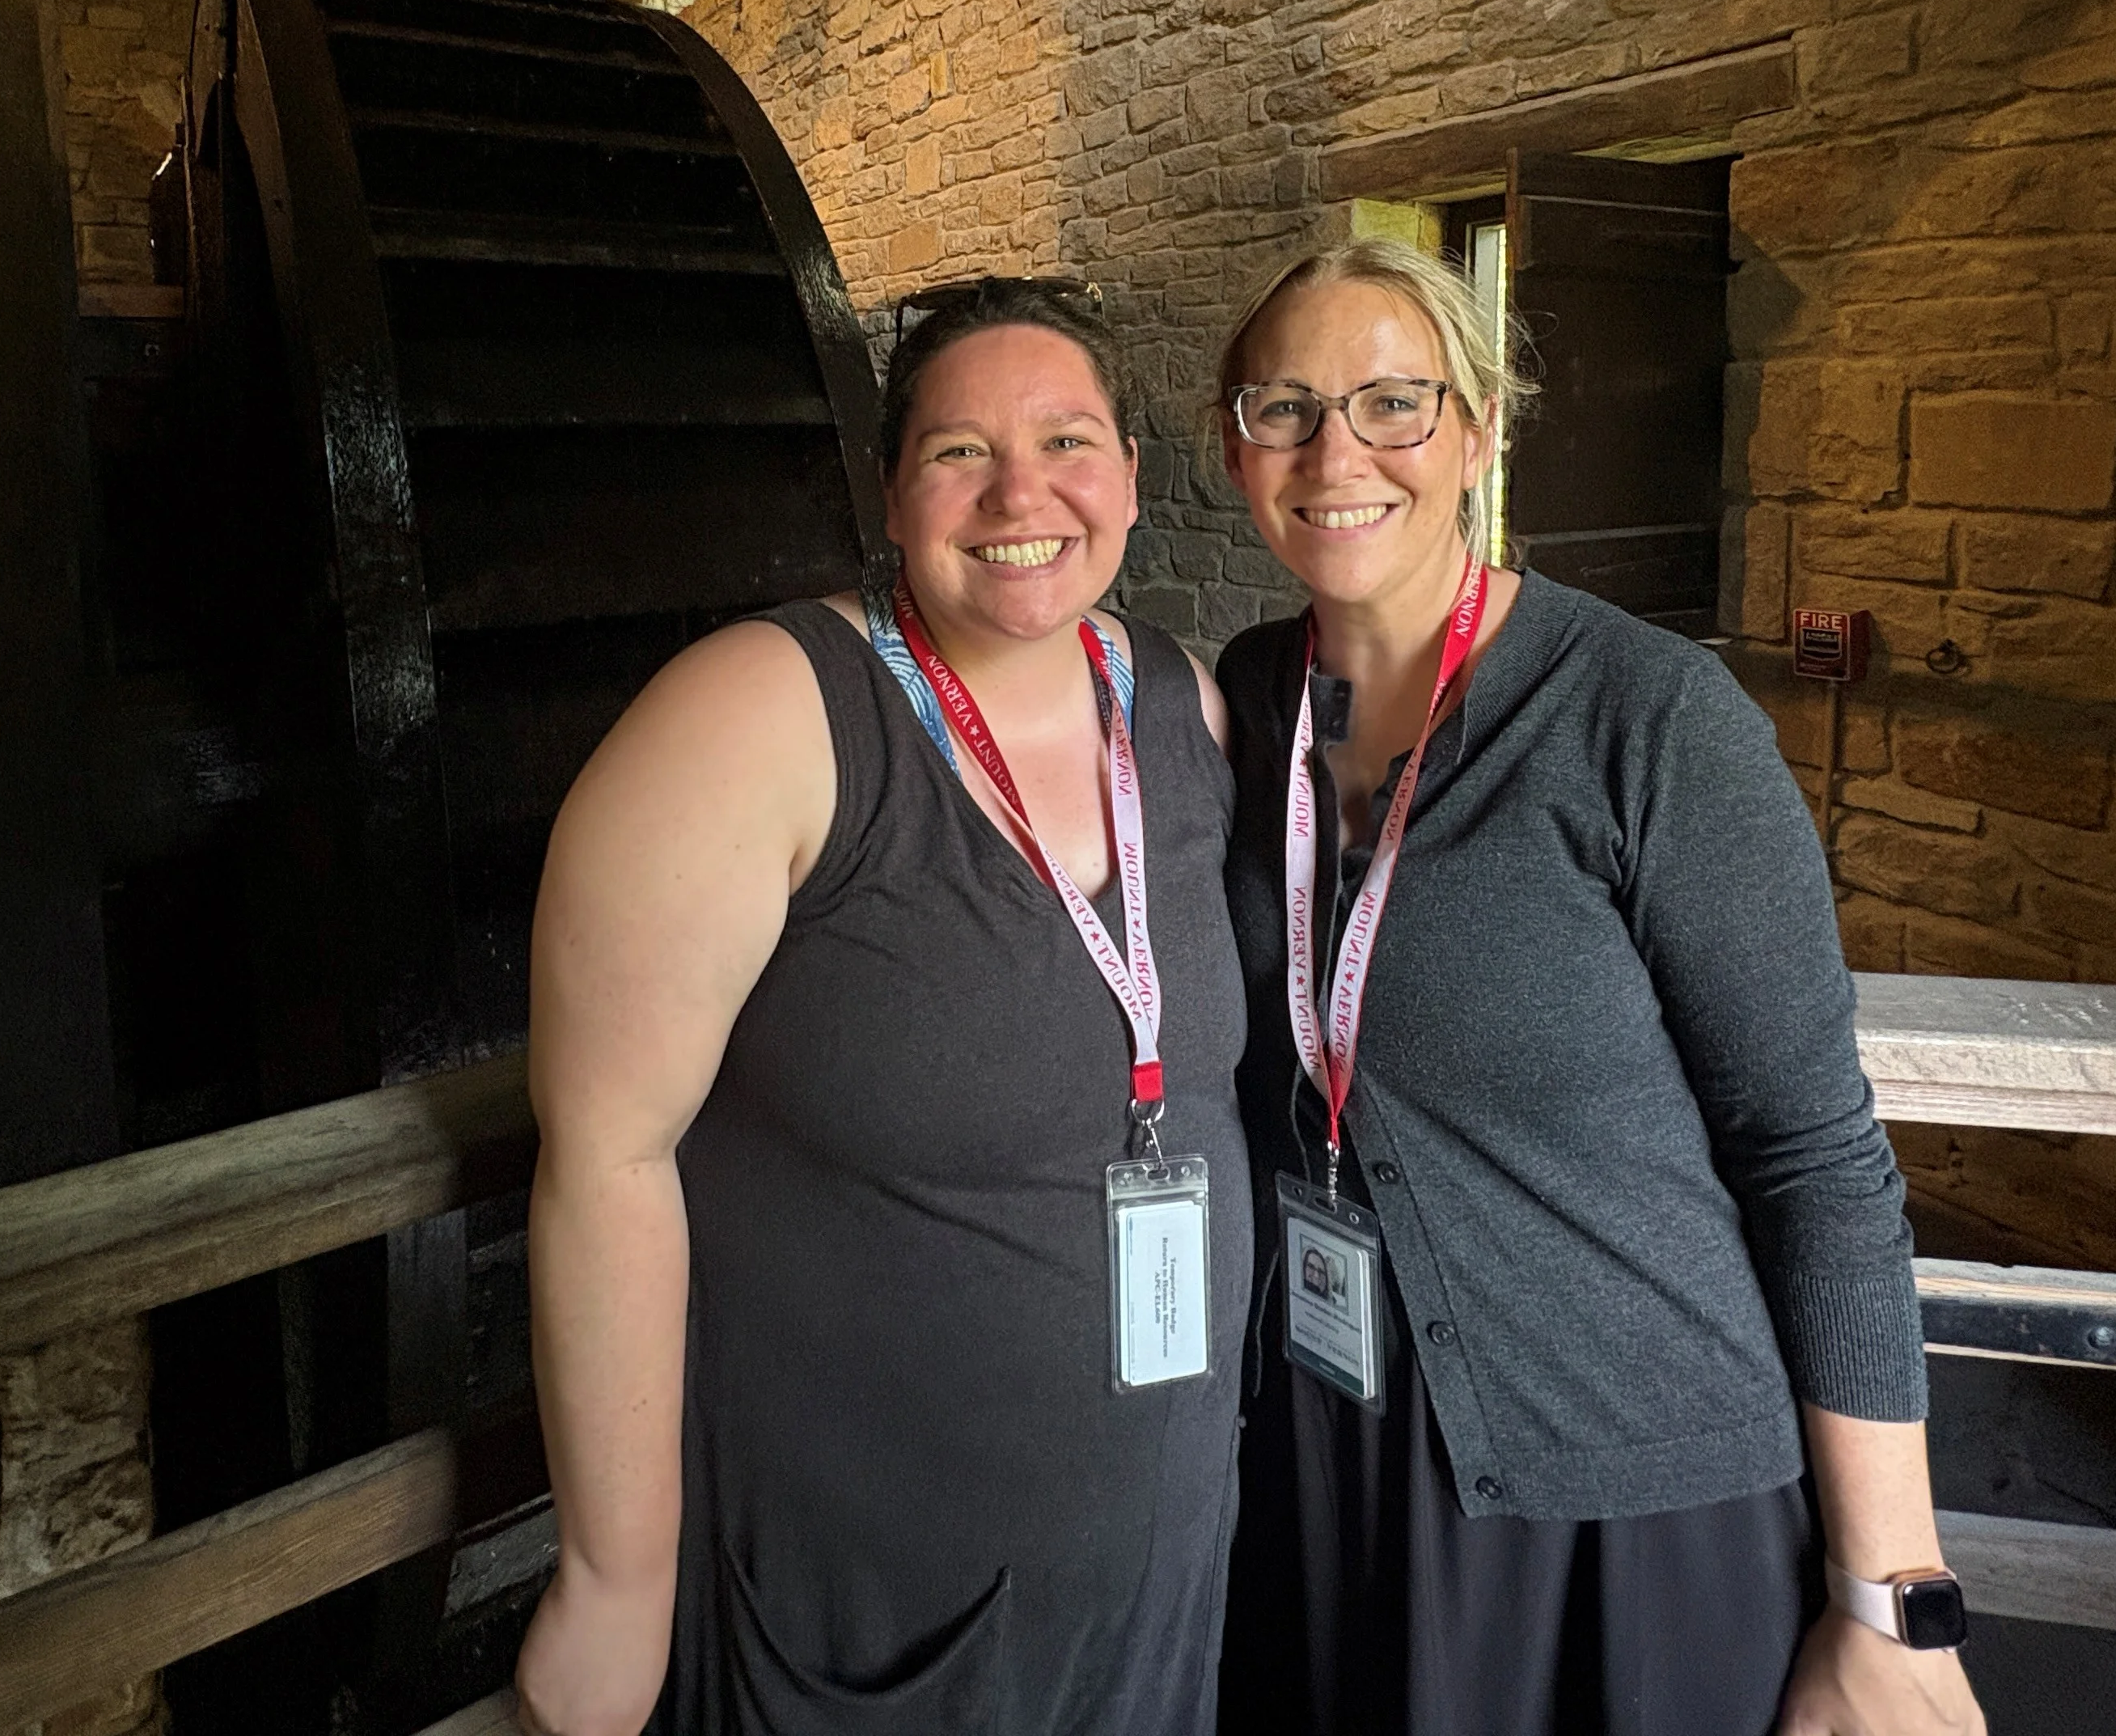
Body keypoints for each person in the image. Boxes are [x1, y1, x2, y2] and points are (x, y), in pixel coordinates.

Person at [1212, 239, 1983, 1736]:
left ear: (1483, 432)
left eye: (1394, 404)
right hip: (1333, 1452)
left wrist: (1893, 1601)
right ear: (1235, 449)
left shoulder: (1649, 719)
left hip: (1628, 1493)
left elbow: (1816, 1160)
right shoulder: (1241, 697)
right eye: (1285, 409)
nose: (1336, 453)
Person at [514, 277, 1252, 1736]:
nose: (1018, 493)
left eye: (1067, 441)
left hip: (1151, 1579)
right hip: (862, 1616)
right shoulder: (757, 717)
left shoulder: (1183, 703)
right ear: (891, 488)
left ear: (1131, 479)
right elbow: (605, 1155)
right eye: (958, 451)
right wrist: (613, 1582)